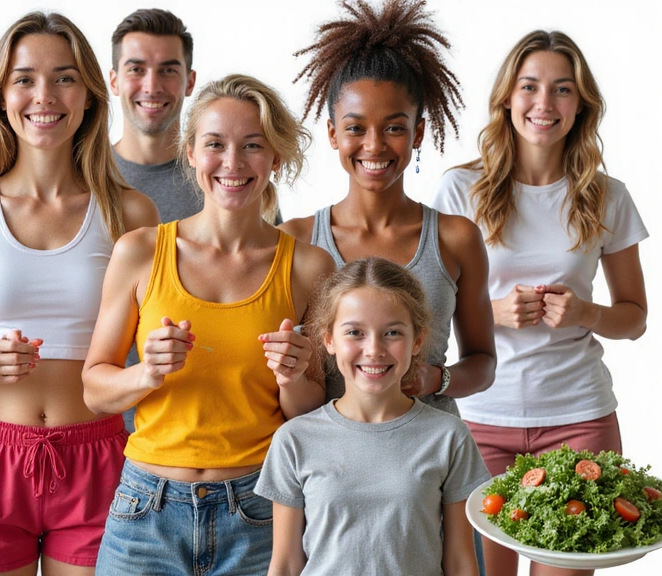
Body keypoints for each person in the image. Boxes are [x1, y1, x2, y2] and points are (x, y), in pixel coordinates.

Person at [0, 11, 159, 576]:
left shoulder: (130, 213)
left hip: (100, 455)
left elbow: (150, 348)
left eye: (64, 77)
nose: (44, 95)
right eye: (24, 79)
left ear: (91, 95)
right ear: (0, 97)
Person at [84, 74, 335, 574]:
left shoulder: (309, 267)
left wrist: (293, 377)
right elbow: (94, 390)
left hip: (259, 511)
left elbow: (310, 414)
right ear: (192, 153)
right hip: (145, 511)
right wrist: (145, 374)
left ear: (276, 158)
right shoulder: (140, 251)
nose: (233, 163)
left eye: (252, 146)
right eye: (215, 144)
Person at [432, 30, 648, 576]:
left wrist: (587, 314)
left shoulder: (608, 196)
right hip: (480, 419)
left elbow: (635, 318)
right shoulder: (461, 191)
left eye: (562, 90)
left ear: (582, 106)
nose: (544, 104)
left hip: (580, 419)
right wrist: (493, 312)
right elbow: (425, 308)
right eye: (530, 86)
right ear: (508, 97)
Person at [280, 0, 496, 417]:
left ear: (418, 133)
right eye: (355, 128)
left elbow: (483, 362)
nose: (374, 145)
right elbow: (288, 384)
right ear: (332, 133)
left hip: (428, 461)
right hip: (331, 464)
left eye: (394, 127)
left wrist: (436, 379)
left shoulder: (456, 238)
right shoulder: (296, 239)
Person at [257, 257, 490, 576]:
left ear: (417, 339)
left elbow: (461, 562)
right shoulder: (294, 440)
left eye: (392, 332)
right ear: (328, 340)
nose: (374, 349)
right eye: (355, 332)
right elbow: (284, 565)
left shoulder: (449, 437)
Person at [109, 8, 200, 225]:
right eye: (136, 69)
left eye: (168, 70)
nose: (151, 87)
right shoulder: (82, 177)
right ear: (114, 82)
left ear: (190, 82)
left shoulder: (226, 178)